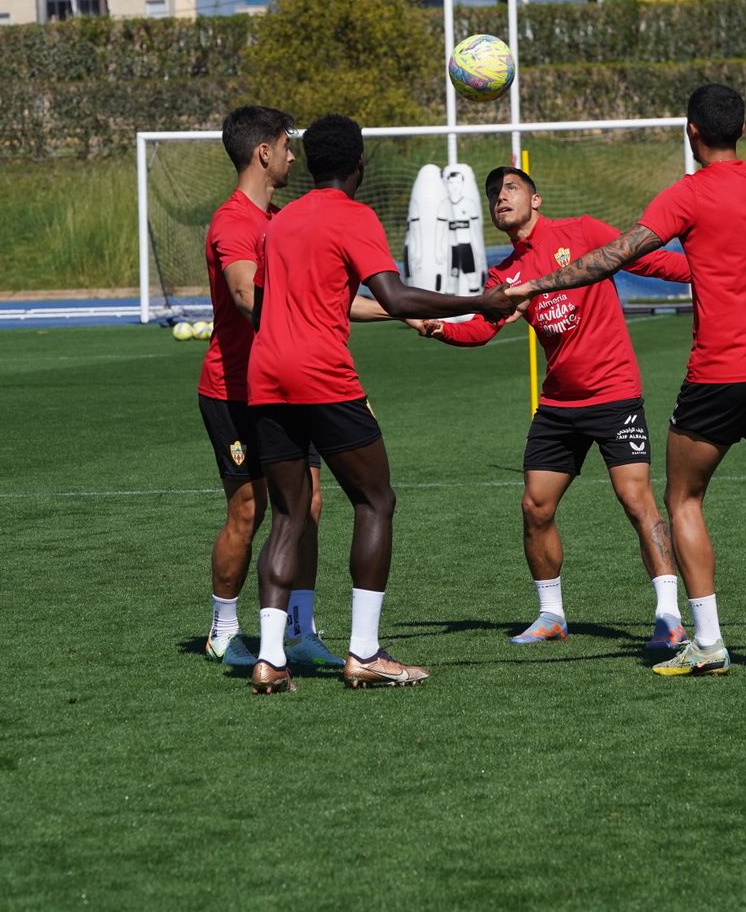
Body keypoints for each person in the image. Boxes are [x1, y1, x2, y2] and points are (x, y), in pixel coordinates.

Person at [505, 83, 746, 678]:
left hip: (718, 376)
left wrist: (538, 284)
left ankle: (708, 641)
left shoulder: (686, 195)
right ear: (744, 129)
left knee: (683, 498)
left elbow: (615, 255)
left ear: (691, 131)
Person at [246, 114, 512, 694]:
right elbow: (390, 294)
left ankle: (269, 658)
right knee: (375, 501)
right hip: (322, 376)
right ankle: (364, 652)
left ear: (311, 163)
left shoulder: (280, 221)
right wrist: (476, 302)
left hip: (265, 375)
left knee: (288, 516)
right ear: (359, 165)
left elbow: (263, 307)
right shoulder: (355, 215)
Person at [413, 166, 693, 651]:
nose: (500, 197)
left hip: (613, 394)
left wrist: (709, 269)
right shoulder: (505, 272)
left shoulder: (581, 231)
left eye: (510, 189)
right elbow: (481, 330)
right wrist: (439, 328)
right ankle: (552, 615)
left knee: (636, 500)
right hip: (559, 404)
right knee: (535, 507)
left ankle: (669, 617)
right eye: (493, 193)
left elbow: (646, 261)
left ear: (536, 199)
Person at [196, 105, 340, 669]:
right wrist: (303, 325)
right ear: (263, 152)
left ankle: (301, 630)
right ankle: (224, 630)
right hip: (232, 390)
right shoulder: (233, 222)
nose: (291, 155)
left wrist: (403, 312)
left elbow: (322, 296)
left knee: (308, 504)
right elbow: (244, 294)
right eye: (285, 145)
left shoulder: (279, 221)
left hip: (286, 384)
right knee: (248, 511)